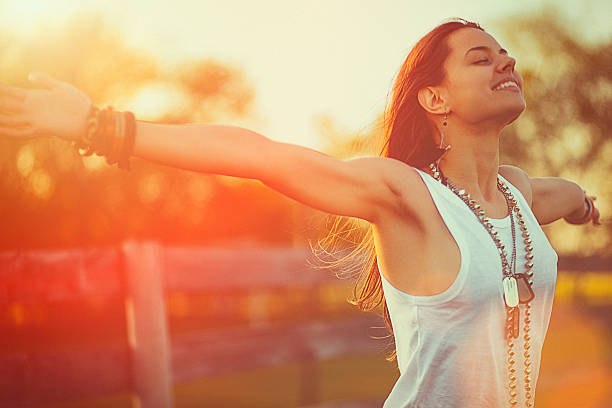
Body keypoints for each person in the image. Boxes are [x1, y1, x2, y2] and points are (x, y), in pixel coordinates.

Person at [0, 17, 601, 408]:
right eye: (480, 58)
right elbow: (260, 155)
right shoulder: (405, 194)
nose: (506, 63)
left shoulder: (519, 195)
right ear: (434, 98)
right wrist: (99, 126)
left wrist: (588, 207)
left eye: (504, 55)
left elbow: (567, 195)